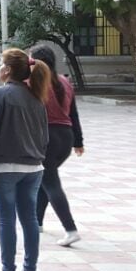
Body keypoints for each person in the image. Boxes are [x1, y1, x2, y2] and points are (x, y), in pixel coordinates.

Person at [0, 48, 52, 271]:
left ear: (7, 70)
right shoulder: (36, 97)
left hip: (4, 167)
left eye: (0, 64)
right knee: (29, 219)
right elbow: (44, 137)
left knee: (6, 219)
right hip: (33, 167)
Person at [29, 45, 85, 247]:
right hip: (66, 138)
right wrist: (78, 142)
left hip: (47, 137)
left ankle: (70, 230)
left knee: (51, 183)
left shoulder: (36, 83)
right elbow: (73, 113)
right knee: (46, 178)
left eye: (30, 60)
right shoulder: (65, 81)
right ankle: (38, 222)